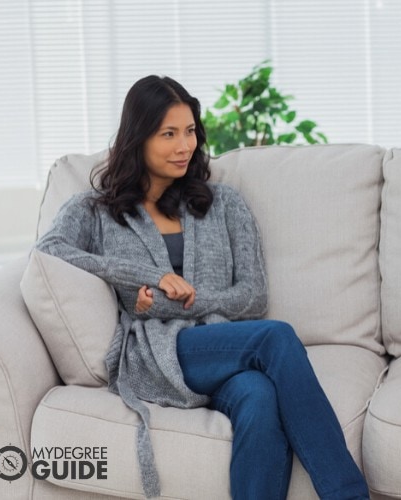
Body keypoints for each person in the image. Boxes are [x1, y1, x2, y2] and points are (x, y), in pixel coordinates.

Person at [35, 75, 369, 500]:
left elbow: (253, 296)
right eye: (168, 134)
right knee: (276, 337)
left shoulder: (224, 203)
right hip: (159, 354)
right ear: (137, 138)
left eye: (190, 131)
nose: (184, 146)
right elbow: (49, 250)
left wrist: (169, 303)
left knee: (259, 394)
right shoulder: (95, 210)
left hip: (222, 347)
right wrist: (144, 276)